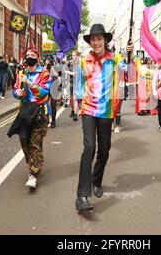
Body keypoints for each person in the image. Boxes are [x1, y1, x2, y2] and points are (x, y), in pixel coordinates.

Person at [74, 23, 133, 211]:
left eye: (99, 38)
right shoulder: (84, 61)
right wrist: (77, 102)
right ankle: (82, 195)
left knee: (105, 149)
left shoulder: (115, 59)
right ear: (90, 43)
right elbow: (79, 83)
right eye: (93, 39)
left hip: (106, 110)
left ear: (105, 41)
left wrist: (130, 56)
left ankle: (96, 180)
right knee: (89, 147)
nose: (96, 42)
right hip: (89, 108)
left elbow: (129, 73)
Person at [8, 48, 51, 189]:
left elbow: (45, 91)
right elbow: (16, 89)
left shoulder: (44, 73)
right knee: (24, 141)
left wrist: (30, 84)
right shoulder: (21, 73)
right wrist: (17, 92)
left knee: (35, 142)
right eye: (27, 56)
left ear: (37, 58)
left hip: (39, 112)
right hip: (25, 112)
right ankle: (35, 161)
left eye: (33, 55)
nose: (30, 57)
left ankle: (33, 173)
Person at [65, 51, 80, 122]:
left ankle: (75, 113)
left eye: (74, 55)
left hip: (77, 83)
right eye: (72, 55)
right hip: (69, 82)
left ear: (78, 56)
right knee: (70, 99)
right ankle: (73, 109)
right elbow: (64, 70)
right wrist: (70, 72)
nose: (73, 56)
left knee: (75, 98)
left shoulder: (80, 63)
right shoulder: (69, 63)